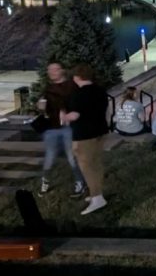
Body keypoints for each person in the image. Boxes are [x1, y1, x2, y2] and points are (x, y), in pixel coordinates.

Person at [61, 64, 109, 215]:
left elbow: (74, 116)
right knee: (97, 163)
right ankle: (97, 192)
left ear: (77, 77)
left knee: (87, 167)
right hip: (100, 131)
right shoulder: (100, 91)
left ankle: (97, 198)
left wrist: (63, 116)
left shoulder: (78, 95)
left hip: (84, 135)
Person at [38, 62, 84, 197]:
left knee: (72, 156)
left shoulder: (72, 86)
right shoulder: (48, 88)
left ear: (62, 71)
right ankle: (45, 181)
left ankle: (79, 183)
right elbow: (43, 105)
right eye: (49, 70)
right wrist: (40, 105)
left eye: (55, 69)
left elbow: (79, 104)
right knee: (50, 157)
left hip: (68, 128)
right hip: (51, 128)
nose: (51, 72)